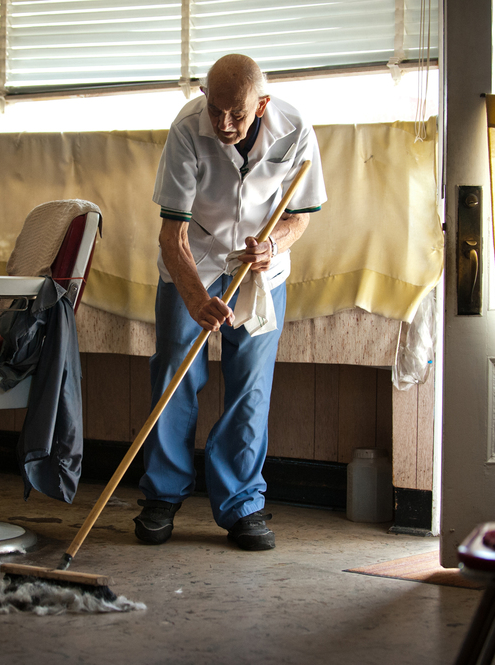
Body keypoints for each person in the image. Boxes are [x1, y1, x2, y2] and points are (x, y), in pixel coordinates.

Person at [135, 54, 326, 551]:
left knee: (250, 386)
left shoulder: (297, 128)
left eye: (236, 114)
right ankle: (162, 495)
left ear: (261, 103)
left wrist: (273, 245)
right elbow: (170, 233)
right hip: (193, 262)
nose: (222, 123)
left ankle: (242, 503)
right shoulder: (186, 129)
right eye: (214, 108)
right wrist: (198, 299)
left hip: (260, 268)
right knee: (174, 375)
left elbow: (300, 218)